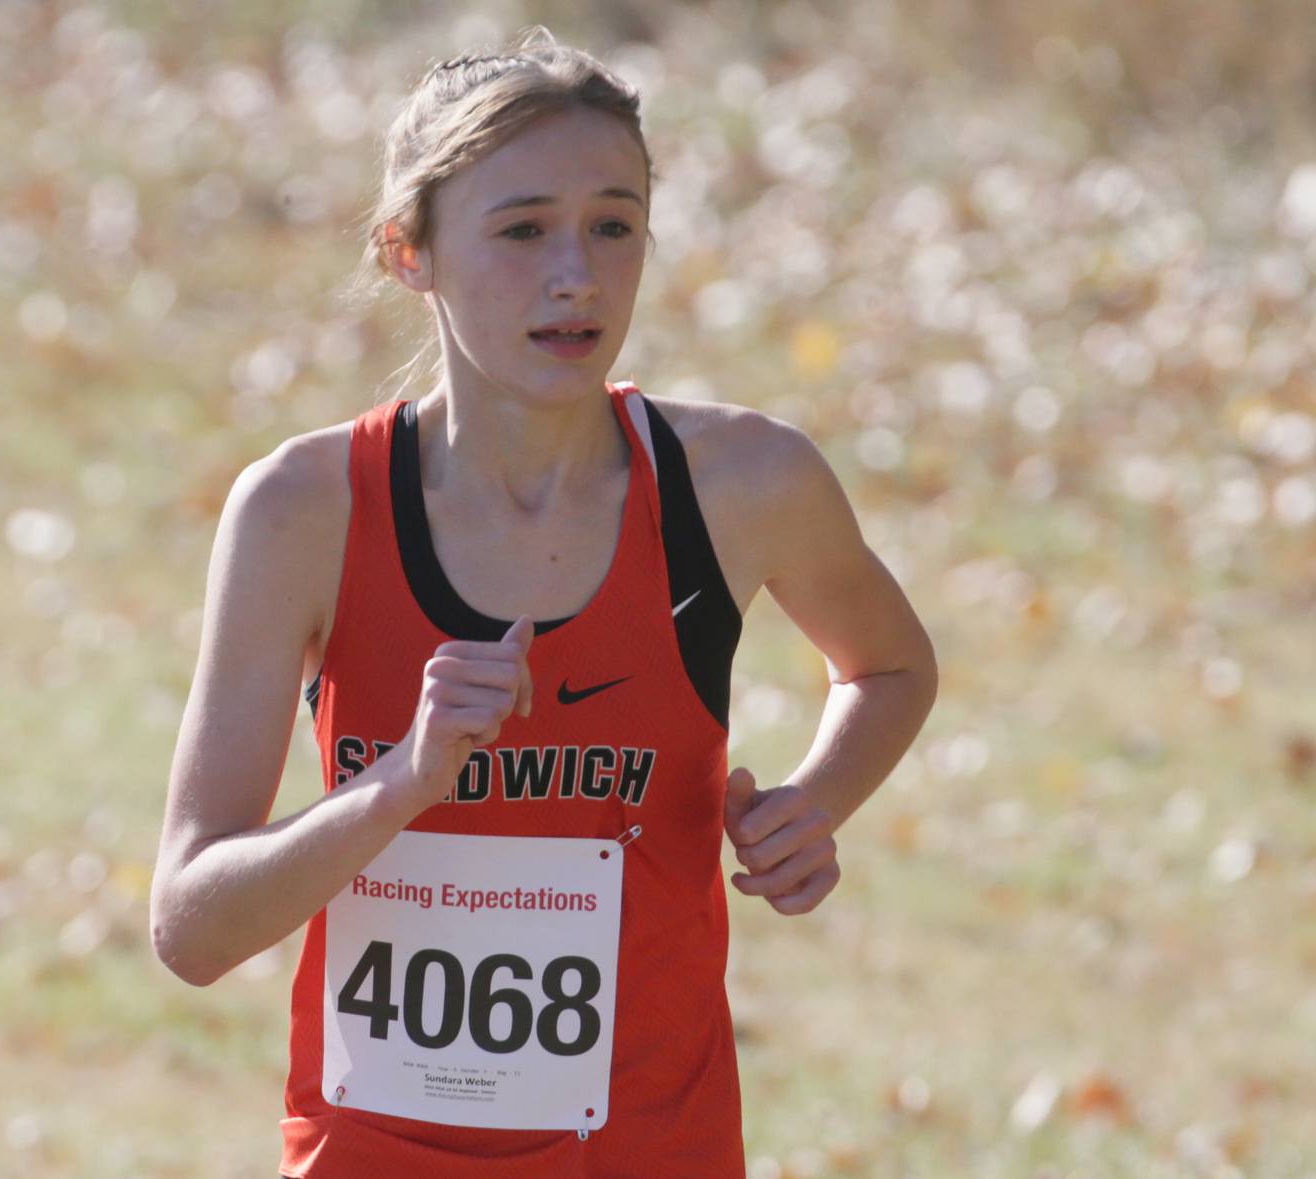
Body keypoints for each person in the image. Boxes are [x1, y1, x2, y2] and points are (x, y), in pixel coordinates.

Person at [151, 26, 938, 1179]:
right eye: (521, 230)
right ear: (408, 251)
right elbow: (191, 930)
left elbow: (891, 667)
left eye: (614, 226)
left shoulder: (741, 485)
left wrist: (814, 804)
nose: (577, 275)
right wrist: (401, 786)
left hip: (653, 1148)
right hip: (378, 1154)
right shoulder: (302, 512)